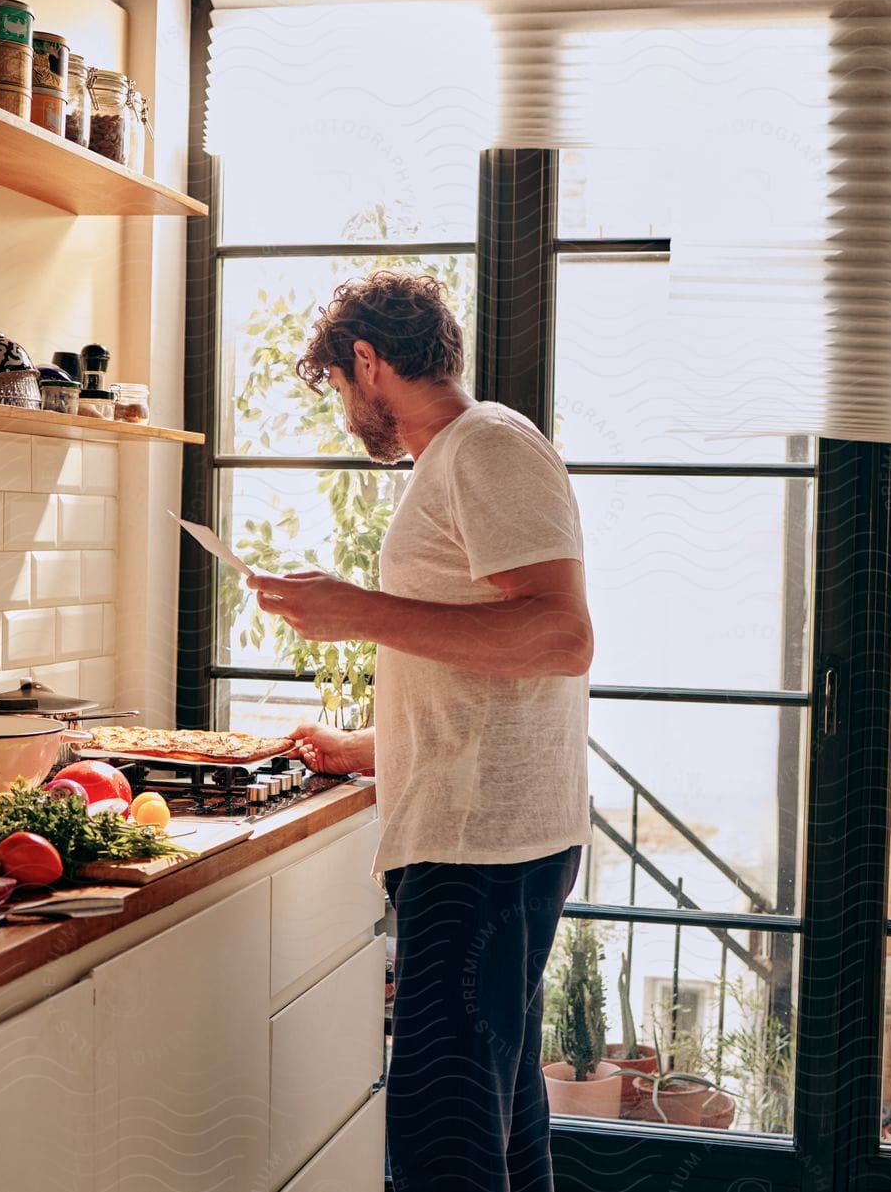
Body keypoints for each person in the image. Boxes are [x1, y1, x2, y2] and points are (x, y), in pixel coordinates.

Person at [247, 271, 593, 1192]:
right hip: (486, 836)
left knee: (441, 1136)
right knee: (499, 1121)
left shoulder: (486, 447)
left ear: (368, 361)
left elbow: (562, 636)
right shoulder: (459, 456)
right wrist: (371, 746)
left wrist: (359, 611)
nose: (343, 411)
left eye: (336, 385)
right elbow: (475, 660)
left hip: (485, 848)